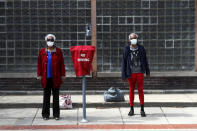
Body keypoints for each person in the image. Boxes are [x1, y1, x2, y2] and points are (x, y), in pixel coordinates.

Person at [37, 34, 65, 120]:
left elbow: (62, 64)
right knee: (46, 97)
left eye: (51, 40)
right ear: (46, 41)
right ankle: (45, 114)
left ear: (54, 41)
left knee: (56, 97)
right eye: (48, 40)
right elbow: (39, 64)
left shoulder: (58, 51)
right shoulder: (42, 52)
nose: (50, 41)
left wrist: (63, 75)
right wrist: (39, 74)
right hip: (46, 78)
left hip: (56, 78)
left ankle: (56, 114)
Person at [121, 33, 150, 117]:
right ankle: (131, 109)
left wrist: (147, 72)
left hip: (140, 72)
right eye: (132, 38)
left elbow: (145, 60)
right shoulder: (126, 49)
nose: (133, 40)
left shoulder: (141, 48)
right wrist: (123, 75)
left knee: (140, 90)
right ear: (129, 40)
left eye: (135, 38)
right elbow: (123, 62)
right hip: (131, 73)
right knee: (131, 90)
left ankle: (142, 109)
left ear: (137, 39)